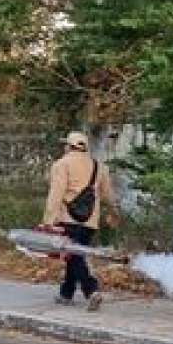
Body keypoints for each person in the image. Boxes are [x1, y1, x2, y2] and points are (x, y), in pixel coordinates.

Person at [43, 130, 118, 311]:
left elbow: (56, 194)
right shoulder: (99, 166)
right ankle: (66, 293)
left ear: (70, 146)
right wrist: (114, 211)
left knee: (74, 257)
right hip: (90, 222)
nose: (64, 147)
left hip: (68, 220)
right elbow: (108, 194)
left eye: (65, 145)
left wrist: (48, 220)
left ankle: (91, 290)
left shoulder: (62, 164)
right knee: (75, 256)